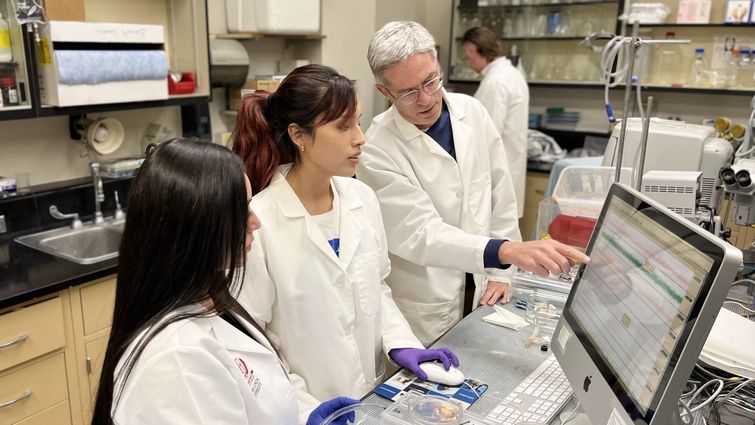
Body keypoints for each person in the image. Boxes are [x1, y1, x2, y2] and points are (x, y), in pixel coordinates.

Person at [231, 64, 460, 419]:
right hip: (309, 410)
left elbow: (376, 288)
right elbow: (253, 341)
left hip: (372, 399)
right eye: (343, 126)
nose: (361, 137)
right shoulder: (258, 223)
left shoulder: (362, 198)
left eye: (359, 121)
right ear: (299, 135)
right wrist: (305, 409)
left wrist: (401, 343)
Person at [91, 139, 359, 425]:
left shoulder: (216, 304)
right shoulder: (177, 360)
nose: (256, 221)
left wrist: (304, 417)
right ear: (198, 226)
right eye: (243, 210)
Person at [357, 21, 589, 344]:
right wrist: (506, 252)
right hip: (426, 310)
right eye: (409, 92)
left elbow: (500, 196)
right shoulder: (377, 149)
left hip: (485, 291)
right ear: (384, 92)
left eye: (431, 81)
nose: (426, 99)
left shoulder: (472, 112)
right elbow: (423, 234)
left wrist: (502, 272)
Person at [462, 26, 529, 219]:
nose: (468, 61)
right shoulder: (512, 75)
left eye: (468, 55)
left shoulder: (496, 81)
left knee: (496, 236)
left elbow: (485, 134)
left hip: (497, 172)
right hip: (509, 166)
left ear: (475, 49)